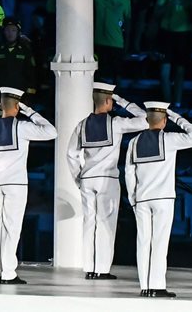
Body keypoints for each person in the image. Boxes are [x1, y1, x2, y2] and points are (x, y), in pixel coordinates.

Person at [65, 82, 148, 279]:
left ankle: (90, 269)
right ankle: (101, 269)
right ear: (109, 101)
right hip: (107, 179)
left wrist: (78, 177)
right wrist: (122, 101)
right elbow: (145, 120)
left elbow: (71, 154)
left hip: (87, 178)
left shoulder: (82, 124)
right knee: (105, 223)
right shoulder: (116, 123)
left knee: (89, 223)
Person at [0, 87, 58, 284]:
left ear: (0, 105)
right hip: (15, 184)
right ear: (17, 106)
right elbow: (51, 132)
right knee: (11, 228)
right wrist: (30, 111)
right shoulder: (21, 127)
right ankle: (8, 273)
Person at [125, 101, 192, 298]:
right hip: (163, 198)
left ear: (147, 120)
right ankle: (157, 286)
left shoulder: (134, 142)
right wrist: (177, 116)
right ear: (165, 121)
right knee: (159, 243)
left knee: (143, 242)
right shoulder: (169, 139)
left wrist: (133, 198)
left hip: (141, 198)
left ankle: (145, 286)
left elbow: (128, 173)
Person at [0, 17, 37, 111]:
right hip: (0, 97)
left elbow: (31, 75)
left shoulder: (25, 51)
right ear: (3, 32)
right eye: (7, 30)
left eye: (13, 30)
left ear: (18, 32)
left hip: (20, 97)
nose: (10, 33)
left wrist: (29, 97)